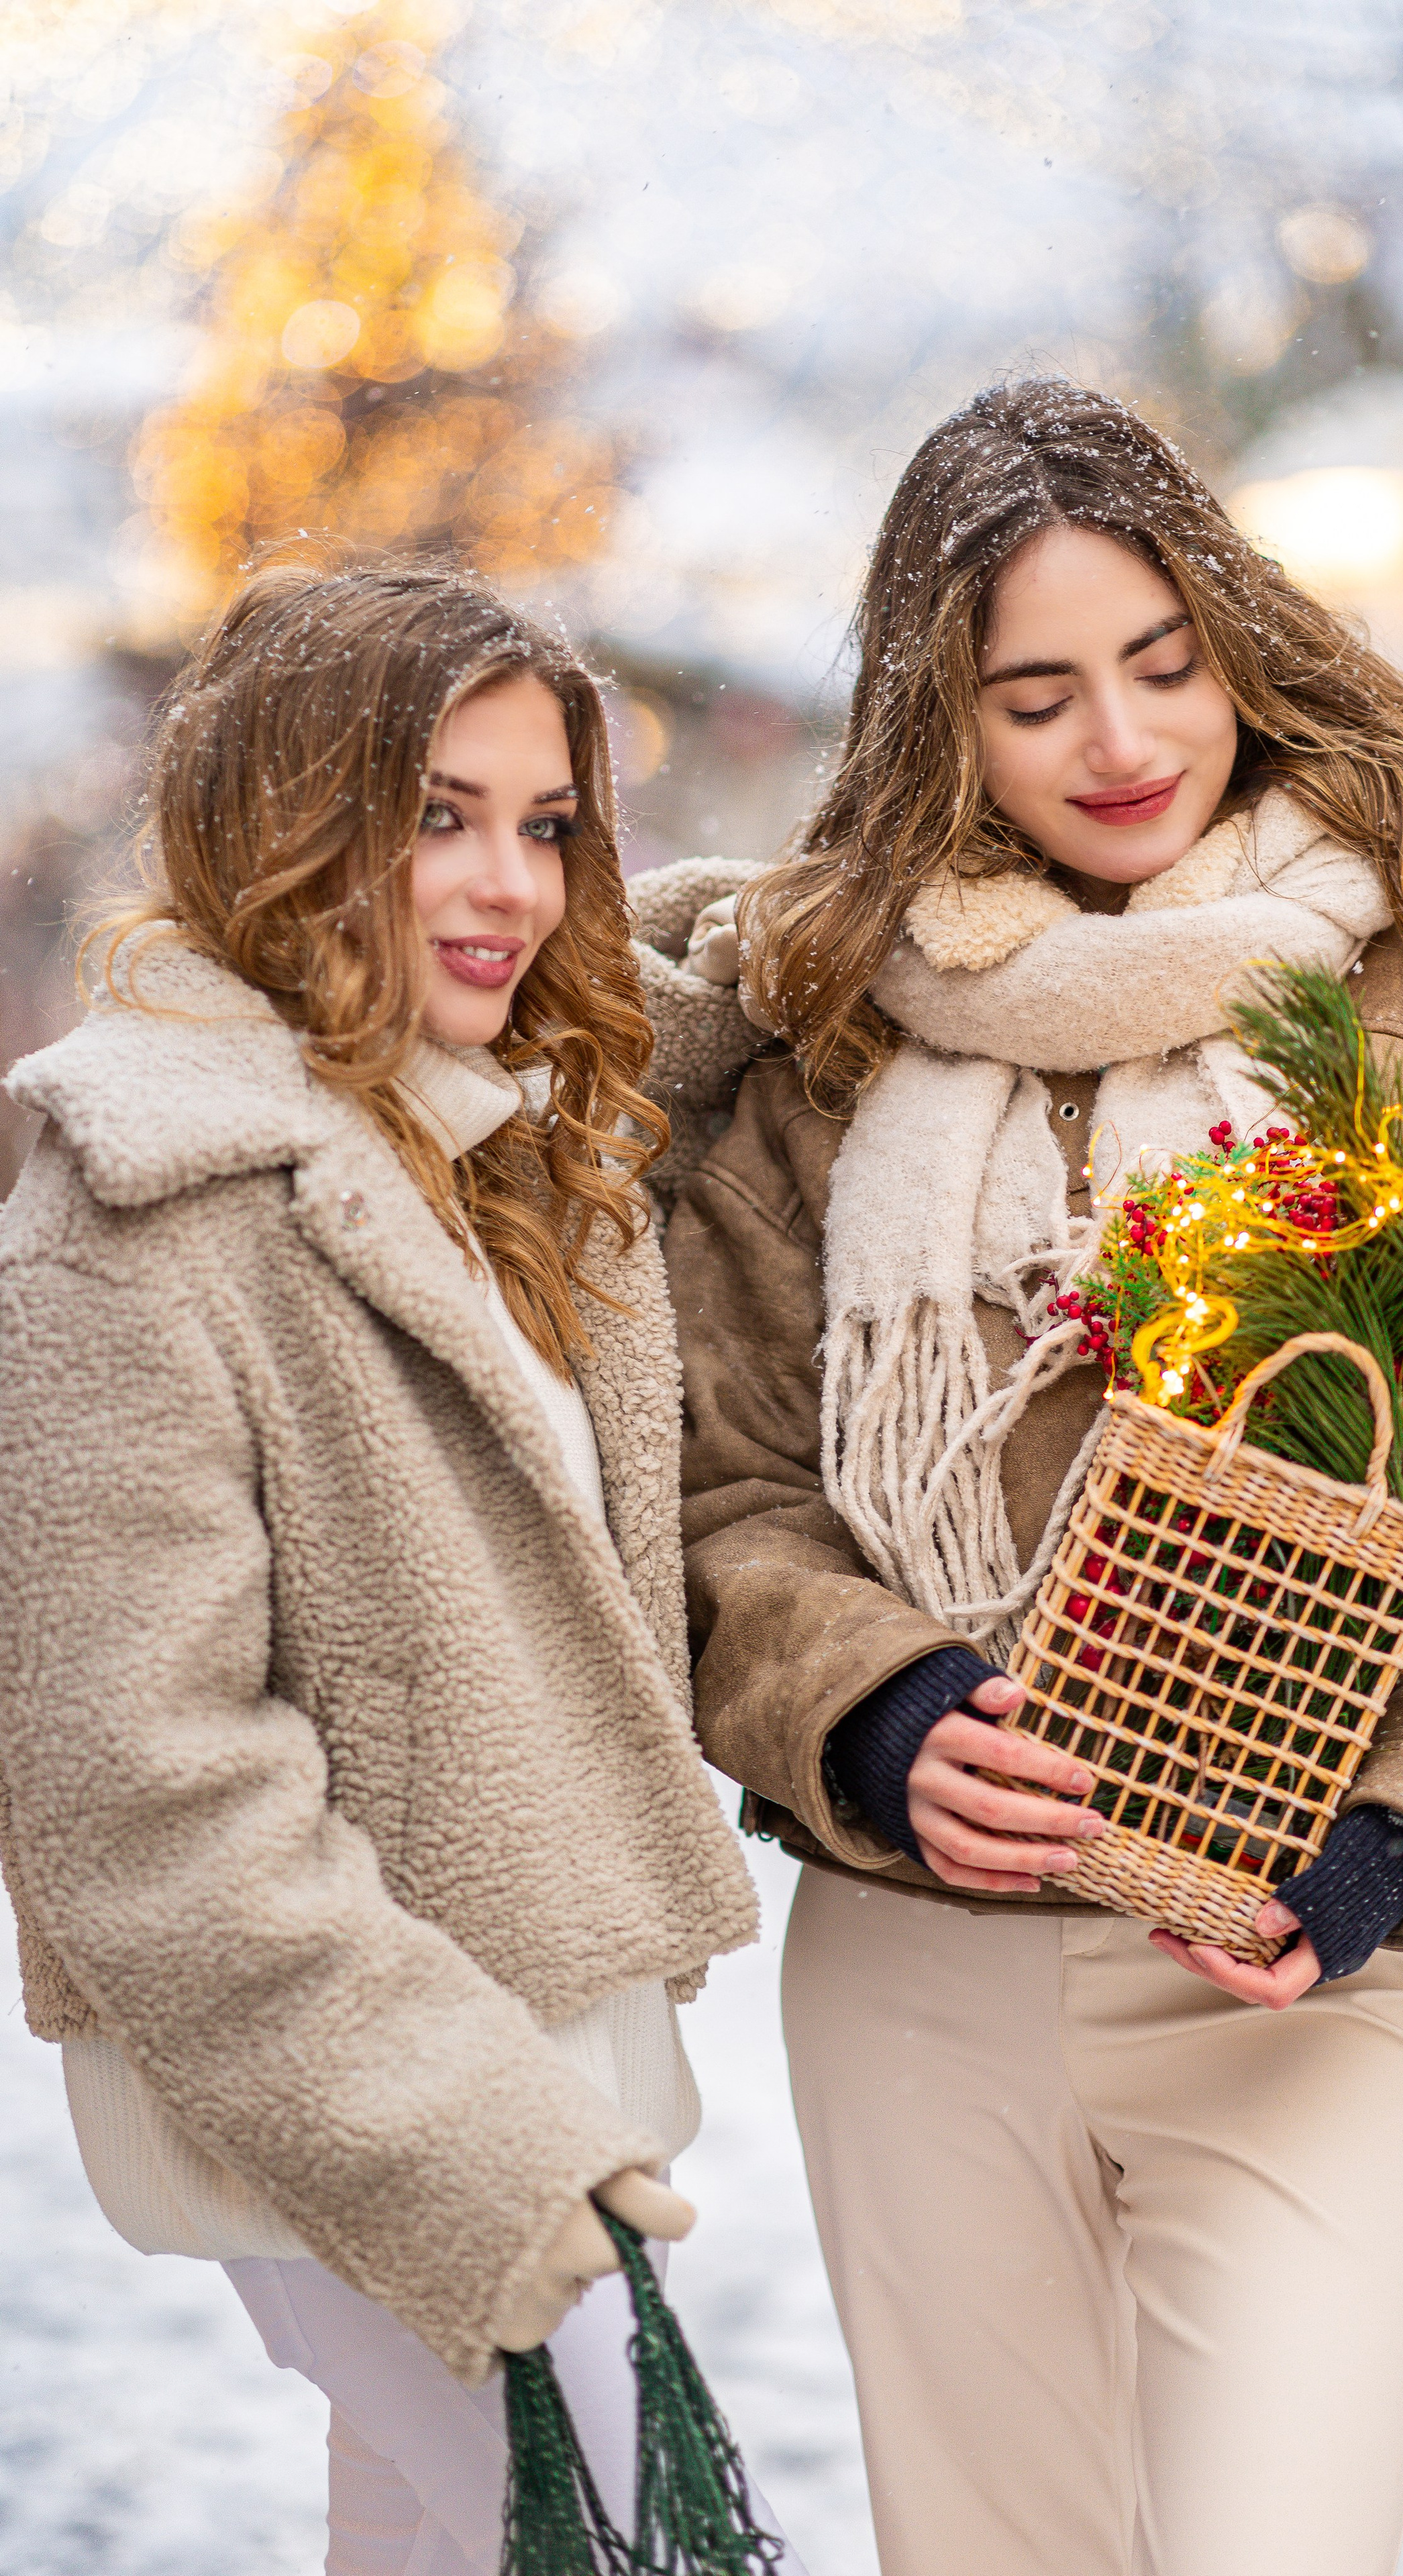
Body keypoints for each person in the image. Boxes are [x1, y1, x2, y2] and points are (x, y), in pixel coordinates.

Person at [664, 380, 1403, 2576]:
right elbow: (711, 1482)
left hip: (1307, 1969)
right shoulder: (833, 1040)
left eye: (1164, 663)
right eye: (1034, 695)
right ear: (940, 725)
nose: (1125, 741)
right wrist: (869, 1706)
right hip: (916, 1958)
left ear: (1241, 641)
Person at [0, 559, 797, 2576]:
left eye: (547, 827)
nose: (508, 886)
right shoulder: (137, 1215)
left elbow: (695, 1041)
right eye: (433, 815)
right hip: (358, 2098)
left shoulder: (506, 1153)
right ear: (282, 822)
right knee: (665, 2553)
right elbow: (143, 1803)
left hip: (542, 2046)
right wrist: (465, 2147)